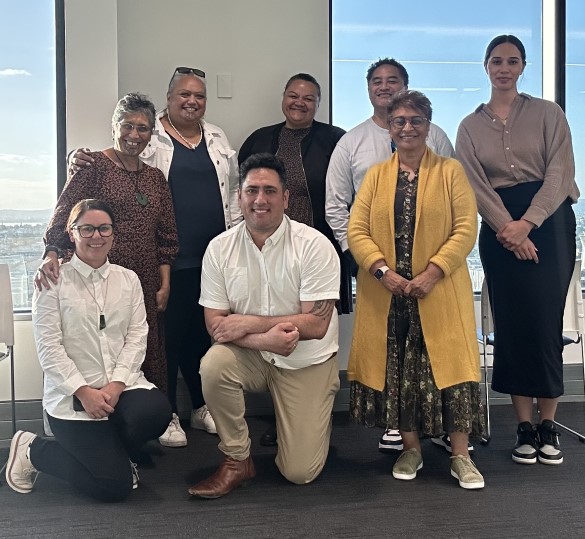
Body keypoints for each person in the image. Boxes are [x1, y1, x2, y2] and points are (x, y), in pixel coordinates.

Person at [67, 68, 242, 447]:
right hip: (162, 261)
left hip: (209, 258)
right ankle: (167, 412)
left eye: (199, 95)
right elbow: (82, 196)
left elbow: (232, 193)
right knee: (167, 338)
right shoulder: (144, 140)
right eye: (184, 94)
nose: (191, 100)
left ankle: (201, 405)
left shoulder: (216, 137)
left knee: (204, 333)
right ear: (169, 97)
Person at [325, 57, 467, 454]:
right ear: (369, 90)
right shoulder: (352, 144)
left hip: (435, 273)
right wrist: (367, 262)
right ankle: (402, 433)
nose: (385, 87)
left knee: (438, 350)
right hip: (378, 270)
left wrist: (435, 269)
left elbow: (459, 214)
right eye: (377, 81)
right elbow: (339, 208)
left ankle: (445, 432)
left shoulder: (438, 140)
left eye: (393, 81)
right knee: (395, 352)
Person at [348, 90, 485, 490]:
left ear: (428, 126)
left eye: (416, 121)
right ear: (389, 128)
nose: (407, 128)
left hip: (438, 291)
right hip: (388, 294)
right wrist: (382, 272)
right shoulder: (376, 176)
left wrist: (433, 272)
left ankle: (461, 456)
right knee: (400, 373)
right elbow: (357, 230)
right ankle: (410, 448)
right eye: (399, 121)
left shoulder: (450, 172)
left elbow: (465, 228)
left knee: (451, 373)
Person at [188, 153, 341, 499]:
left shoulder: (314, 246)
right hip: (255, 354)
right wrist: (265, 340)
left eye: (270, 191)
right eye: (252, 190)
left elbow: (316, 324)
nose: (261, 200)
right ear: (239, 197)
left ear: (285, 199)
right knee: (213, 364)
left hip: (306, 359)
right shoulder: (219, 249)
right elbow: (217, 326)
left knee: (299, 473)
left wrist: (250, 323)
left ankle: (314, 412)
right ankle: (237, 458)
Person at [456, 35, 578, 466]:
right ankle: (523, 427)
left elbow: (561, 172)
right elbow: (473, 182)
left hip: (550, 223)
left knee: (545, 324)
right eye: (496, 61)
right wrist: (507, 227)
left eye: (512, 61)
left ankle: (549, 426)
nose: (503, 68)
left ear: (523, 66)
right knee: (511, 325)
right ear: (485, 66)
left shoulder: (548, 113)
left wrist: (528, 223)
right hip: (498, 225)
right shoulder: (470, 126)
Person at [7, 199, 172, 501]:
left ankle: (115, 455)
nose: (96, 236)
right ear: (72, 233)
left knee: (156, 412)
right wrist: (83, 391)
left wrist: (117, 384)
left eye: (103, 228)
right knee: (114, 487)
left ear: (113, 233)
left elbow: (138, 336)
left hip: (118, 388)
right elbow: (48, 347)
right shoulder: (52, 281)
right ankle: (33, 450)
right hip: (73, 399)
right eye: (87, 229)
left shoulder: (128, 279)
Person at [37, 93, 178, 407]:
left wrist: (164, 283)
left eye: (143, 128)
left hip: (144, 279)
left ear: (151, 133)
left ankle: (155, 417)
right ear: (114, 126)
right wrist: (51, 254)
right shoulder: (92, 166)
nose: (134, 135)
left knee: (145, 347)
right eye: (127, 126)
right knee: (98, 345)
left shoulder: (155, 178)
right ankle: (92, 408)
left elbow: (166, 237)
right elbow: (64, 215)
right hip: (98, 277)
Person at [238, 73, 347, 447]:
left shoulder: (335, 140)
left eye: (309, 98)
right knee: (275, 319)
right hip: (268, 252)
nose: (299, 103)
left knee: (311, 326)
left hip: (313, 253)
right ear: (283, 98)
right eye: (292, 95)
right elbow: (246, 190)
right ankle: (282, 409)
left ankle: (306, 408)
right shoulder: (259, 139)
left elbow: (344, 193)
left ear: (318, 104)